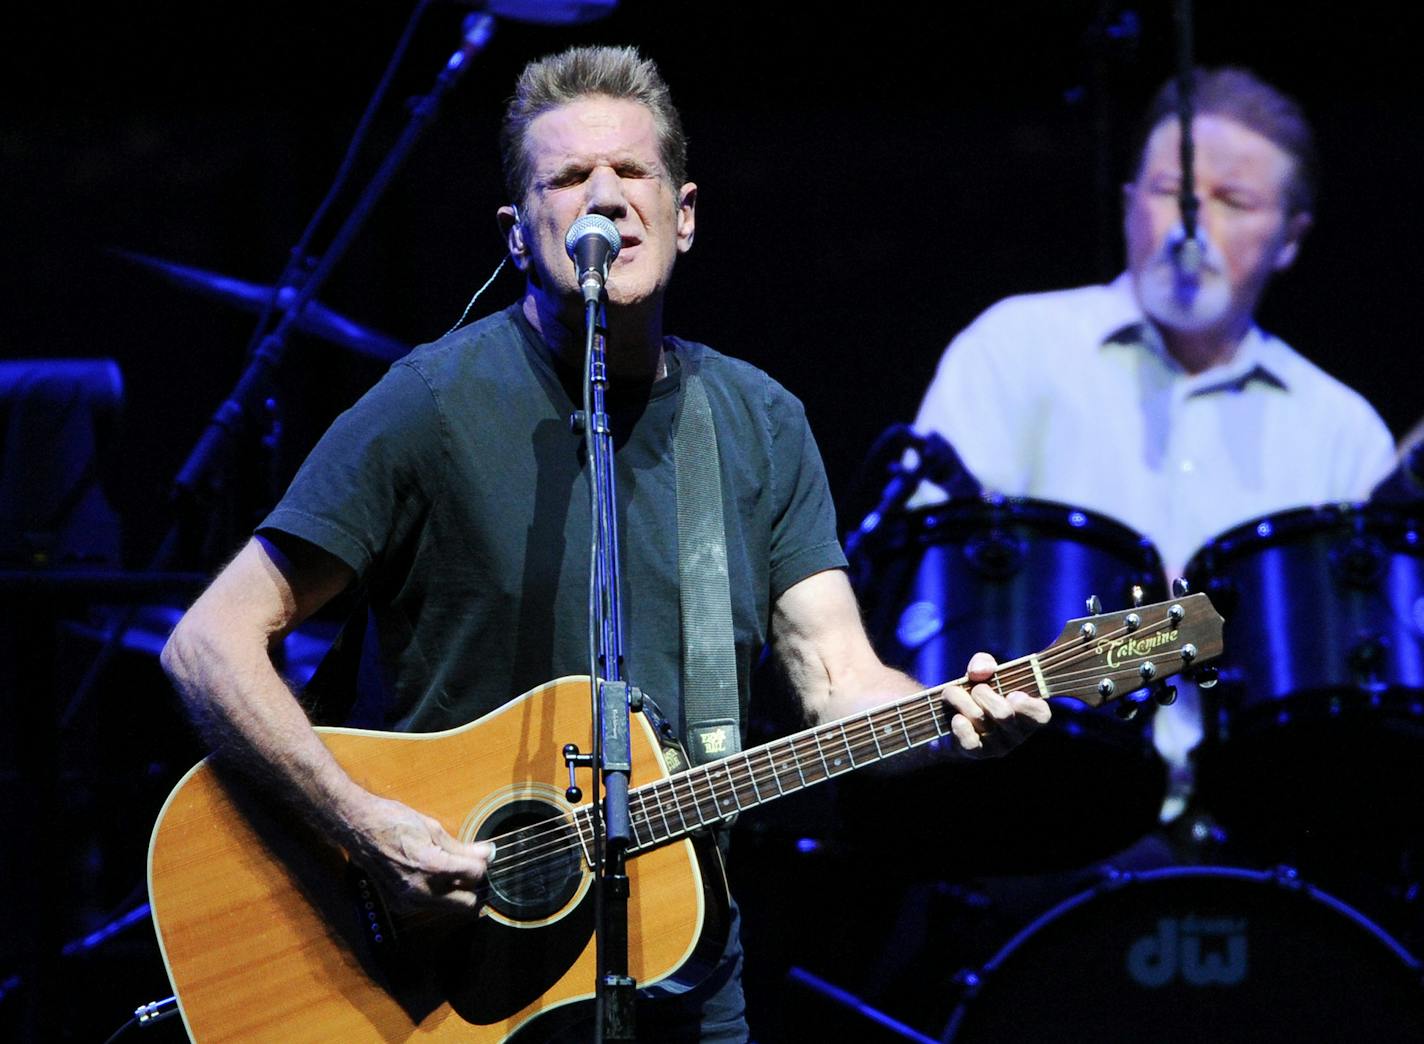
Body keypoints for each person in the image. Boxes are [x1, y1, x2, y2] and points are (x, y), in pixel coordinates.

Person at [160, 45, 1049, 1041]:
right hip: (439, 977)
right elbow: (209, 643)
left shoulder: (755, 422)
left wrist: (944, 714)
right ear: (517, 233)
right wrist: (364, 831)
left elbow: (838, 675)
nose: (607, 199)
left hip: (686, 974)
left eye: (633, 174)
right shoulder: (428, 406)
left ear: (684, 215)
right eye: (569, 178)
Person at [913, 67, 1396, 578]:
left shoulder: (1344, 432)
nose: (1190, 228)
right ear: (1128, 206)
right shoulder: (1015, 347)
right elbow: (933, 583)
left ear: (1291, 239)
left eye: (1233, 201)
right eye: (1170, 192)